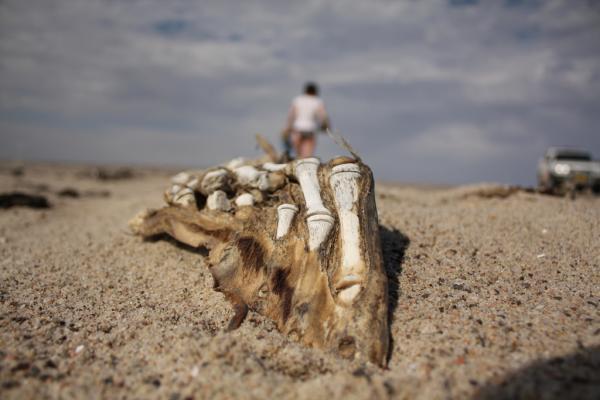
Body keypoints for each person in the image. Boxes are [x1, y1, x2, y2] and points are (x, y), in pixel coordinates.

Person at [282, 82, 330, 159]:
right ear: (315, 92)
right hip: (310, 129)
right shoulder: (317, 101)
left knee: (298, 154)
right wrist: (326, 127)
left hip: (297, 129)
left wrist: (287, 128)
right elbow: (323, 117)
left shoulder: (297, 100)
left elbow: (291, 116)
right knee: (307, 155)